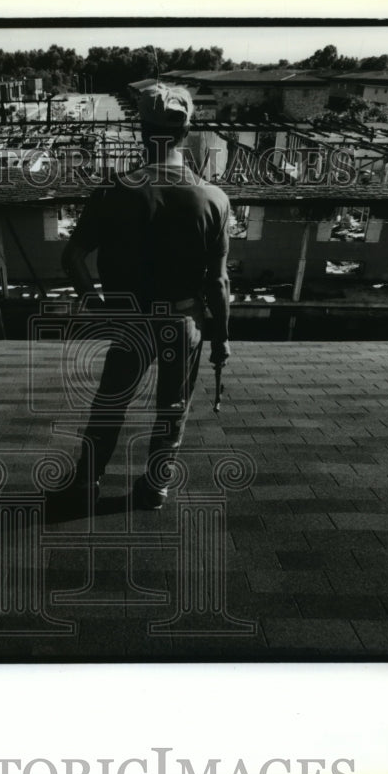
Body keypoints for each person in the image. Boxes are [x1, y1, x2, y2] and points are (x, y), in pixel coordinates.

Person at [60, 82, 231, 510]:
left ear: (141, 131)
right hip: (183, 320)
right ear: (186, 132)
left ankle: (85, 483)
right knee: (173, 407)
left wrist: (94, 299)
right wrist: (221, 339)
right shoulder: (214, 199)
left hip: (132, 319)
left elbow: (74, 257)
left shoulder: (113, 192)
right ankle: (155, 487)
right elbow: (219, 282)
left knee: (110, 402)